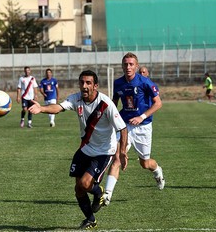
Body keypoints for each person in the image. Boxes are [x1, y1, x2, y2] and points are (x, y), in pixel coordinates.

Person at [28, 70, 128, 230]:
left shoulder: (106, 104)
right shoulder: (76, 99)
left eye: (88, 83)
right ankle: (90, 219)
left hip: (104, 152)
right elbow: (59, 107)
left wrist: (122, 152)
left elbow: (122, 128)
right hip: (85, 149)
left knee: (85, 183)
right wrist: (42, 109)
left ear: (95, 85)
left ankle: (99, 192)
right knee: (78, 189)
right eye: (82, 82)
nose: (84, 86)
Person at [103, 52, 165, 206]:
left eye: (131, 64)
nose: (128, 67)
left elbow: (158, 103)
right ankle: (107, 195)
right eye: (125, 64)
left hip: (143, 126)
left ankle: (157, 171)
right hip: (125, 125)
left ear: (136, 66)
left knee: (145, 164)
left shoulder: (145, 82)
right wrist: (111, 117)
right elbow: (114, 102)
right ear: (122, 66)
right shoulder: (118, 83)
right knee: (116, 157)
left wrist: (141, 117)